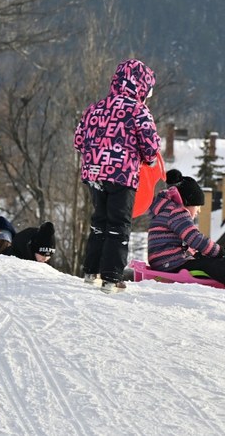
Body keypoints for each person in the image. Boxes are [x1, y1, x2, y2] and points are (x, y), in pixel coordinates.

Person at [74, 58, 161, 293]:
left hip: (93, 173)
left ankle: (91, 271)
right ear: (140, 86)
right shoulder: (138, 110)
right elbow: (151, 148)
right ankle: (112, 276)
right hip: (122, 174)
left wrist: (96, 155)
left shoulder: (95, 108)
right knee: (118, 224)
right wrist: (147, 158)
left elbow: (78, 140)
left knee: (99, 221)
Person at [147, 175, 225, 301]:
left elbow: (181, 244)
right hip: (171, 262)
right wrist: (220, 251)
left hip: (164, 261)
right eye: (198, 206)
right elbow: (195, 239)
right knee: (219, 265)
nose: (199, 211)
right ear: (187, 202)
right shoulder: (177, 212)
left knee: (210, 260)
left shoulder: (167, 211)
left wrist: (200, 254)